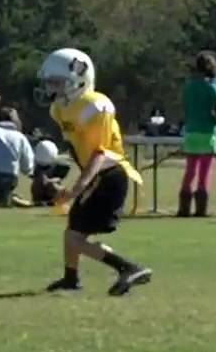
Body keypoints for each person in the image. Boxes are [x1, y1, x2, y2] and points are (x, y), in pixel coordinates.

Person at [37, 47, 152, 296]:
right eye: (50, 82)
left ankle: (128, 267)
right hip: (96, 174)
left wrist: (76, 189)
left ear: (78, 80)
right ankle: (71, 279)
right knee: (72, 231)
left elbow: (99, 153)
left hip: (109, 175)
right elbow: (78, 147)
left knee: (74, 237)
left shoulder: (95, 106)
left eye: (57, 82)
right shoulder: (60, 109)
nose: (51, 88)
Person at [178, 52, 216, 218]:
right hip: (207, 133)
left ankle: (184, 208)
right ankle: (201, 209)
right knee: (204, 171)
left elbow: (185, 108)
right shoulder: (212, 88)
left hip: (191, 132)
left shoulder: (189, 87)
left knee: (190, 170)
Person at [30, 139, 69, 207]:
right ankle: (38, 201)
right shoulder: (35, 165)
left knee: (54, 186)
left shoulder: (60, 165)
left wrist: (49, 181)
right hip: (40, 191)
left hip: (52, 191)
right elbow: (33, 177)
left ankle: (54, 201)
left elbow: (59, 178)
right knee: (38, 182)